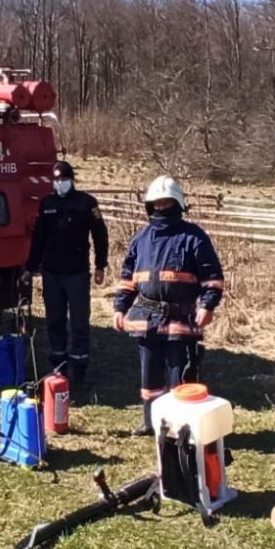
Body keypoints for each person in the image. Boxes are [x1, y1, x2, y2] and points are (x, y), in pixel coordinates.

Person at [113, 176, 225, 436]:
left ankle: (182, 428)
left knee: (181, 379)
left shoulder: (193, 237)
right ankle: (152, 422)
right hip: (146, 319)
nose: (162, 208)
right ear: (150, 206)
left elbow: (212, 278)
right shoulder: (140, 239)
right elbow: (128, 278)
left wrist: (207, 306)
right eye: (157, 203)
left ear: (178, 204)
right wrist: (120, 308)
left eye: (167, 203)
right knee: (149, 378)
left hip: (181, 320)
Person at [24, 160, 109, 390]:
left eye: (63, 179)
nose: (60, 183)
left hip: (78, 273)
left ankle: (80, 366)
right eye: (56, 179)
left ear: (71, 180)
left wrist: (101, 265)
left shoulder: (86, 203)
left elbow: (100, 235)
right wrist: (30, 267)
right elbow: (39, 238)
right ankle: (59, 365)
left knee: (79, 321)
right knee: (55, 320)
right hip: (52, 273)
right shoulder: (47, 204)